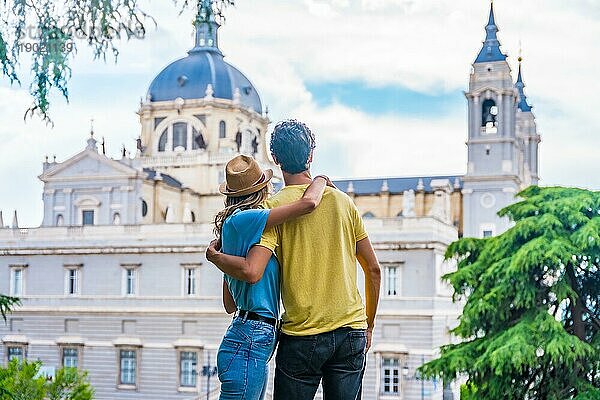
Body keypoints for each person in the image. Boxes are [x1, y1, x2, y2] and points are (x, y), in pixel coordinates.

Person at [207, 120, 381, 400]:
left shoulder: (272, 209)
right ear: (311, 155)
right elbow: (373, 270)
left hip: (302, 335)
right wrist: (368, 325)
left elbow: (249, 271)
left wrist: (218, 257)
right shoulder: (343, 202)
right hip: (351, 331)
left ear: (274, 160)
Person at [210, 154, 333, 400]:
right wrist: (320, 179)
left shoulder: (231, 230)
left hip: (245, 335)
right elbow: (308, 204)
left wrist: (219, 259)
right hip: (250, 337)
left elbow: (229, 304)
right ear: (260, 190)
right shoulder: (246, 218)